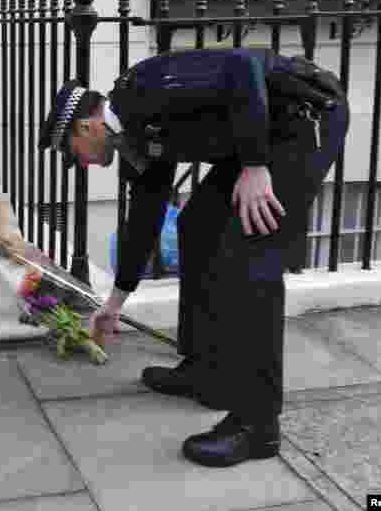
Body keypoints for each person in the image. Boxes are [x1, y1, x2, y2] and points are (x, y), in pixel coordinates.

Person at [38, 47, 349, 468]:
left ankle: (258, 426)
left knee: (249, 260)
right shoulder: (135, 139)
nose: (83, 163)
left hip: (303, 124)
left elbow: (244, 66)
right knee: (196, 226)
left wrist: (256, 167)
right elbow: (144, 220)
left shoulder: (145, 88)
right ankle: (208, 371)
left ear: (86, 125)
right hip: (256, 138)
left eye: (74, 152)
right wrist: (113, 305)